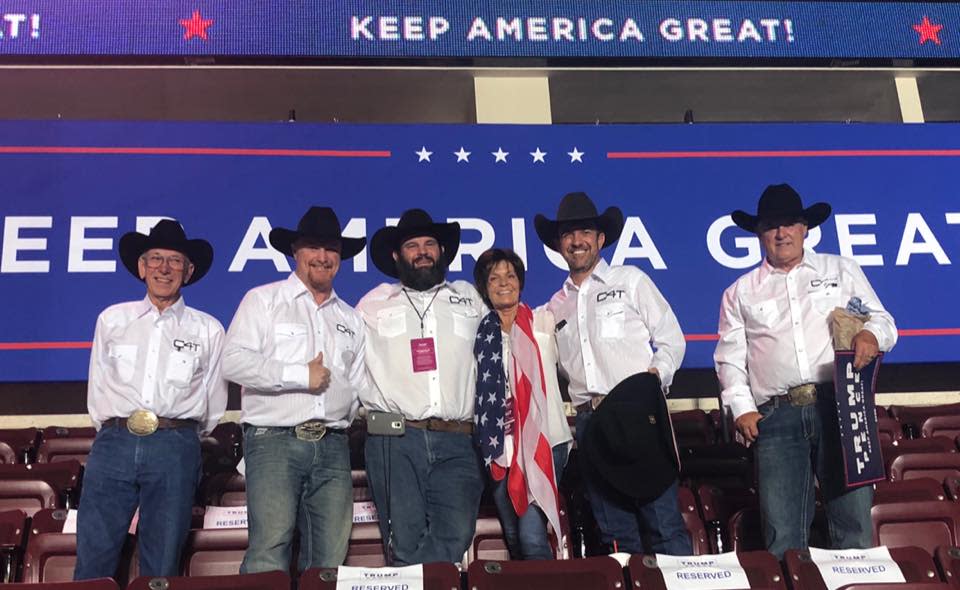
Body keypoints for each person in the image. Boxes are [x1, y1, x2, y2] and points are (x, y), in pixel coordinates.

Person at [714, 183, 898, 559]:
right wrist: (741, 406)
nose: (781, 233)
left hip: (841, 408)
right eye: (771, 226)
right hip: (776, 416)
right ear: (760, 234)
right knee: (782, 535)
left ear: (805, 229)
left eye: (789, 224)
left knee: (853, 526)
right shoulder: (740, 291)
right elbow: (729, 358)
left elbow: (885, 322)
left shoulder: (841, 270)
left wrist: (870, 333)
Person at [537, 191, 691, 556]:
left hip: (638, 415)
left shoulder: (632, 280)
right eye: (568, 234)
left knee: (664, 524)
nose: (577, 241)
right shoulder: (552, 308)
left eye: (585, 232)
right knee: (615, 533)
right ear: (558, 245)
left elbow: (672, 340)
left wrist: (654, 380)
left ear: (600, 239)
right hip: (590, 423)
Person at [76, 219, 227, 579]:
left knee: (162, 565)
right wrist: (116, 430)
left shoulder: (208, 329)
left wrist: (178, 433)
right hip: (114, 443)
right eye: (156, 258)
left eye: (174, 261)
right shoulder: (112, 319)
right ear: (142, 267)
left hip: (175, 447)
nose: (164, 268)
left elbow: (213, 403)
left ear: (188, 272)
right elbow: (97, 389)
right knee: (94, 558)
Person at [222, 206, 368, 572]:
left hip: (333, 446)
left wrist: (341, 418)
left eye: (331, 248)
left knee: (330, 557)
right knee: (269, 548)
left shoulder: (350, 317)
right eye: (313, 247)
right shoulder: (263, 300)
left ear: (340, 257)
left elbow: (357, 383)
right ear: (295, 252)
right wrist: (300, 375)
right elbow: (233, 362)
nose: (322, 257)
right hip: (274, 441)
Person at [357, 208, 486, 565]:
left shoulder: (471, 298)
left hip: (459, 439)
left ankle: (411, 579)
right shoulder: (372, 304)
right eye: (412, 245)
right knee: (403, 540)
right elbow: (348, 365)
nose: (423, 251)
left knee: (457, 532)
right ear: (397, 256)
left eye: (430, 243)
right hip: (395, 440)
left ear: (442, 252)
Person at [472, 248, 573, 560]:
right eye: (494, 278)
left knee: (531, 535)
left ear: (521, 282)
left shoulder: (544, 321)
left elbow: (574, 367)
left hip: (545, 439)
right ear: (484, 287)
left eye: (510, 276)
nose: (504, 283)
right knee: (514, 538)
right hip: (500, 447)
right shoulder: (479, 334)